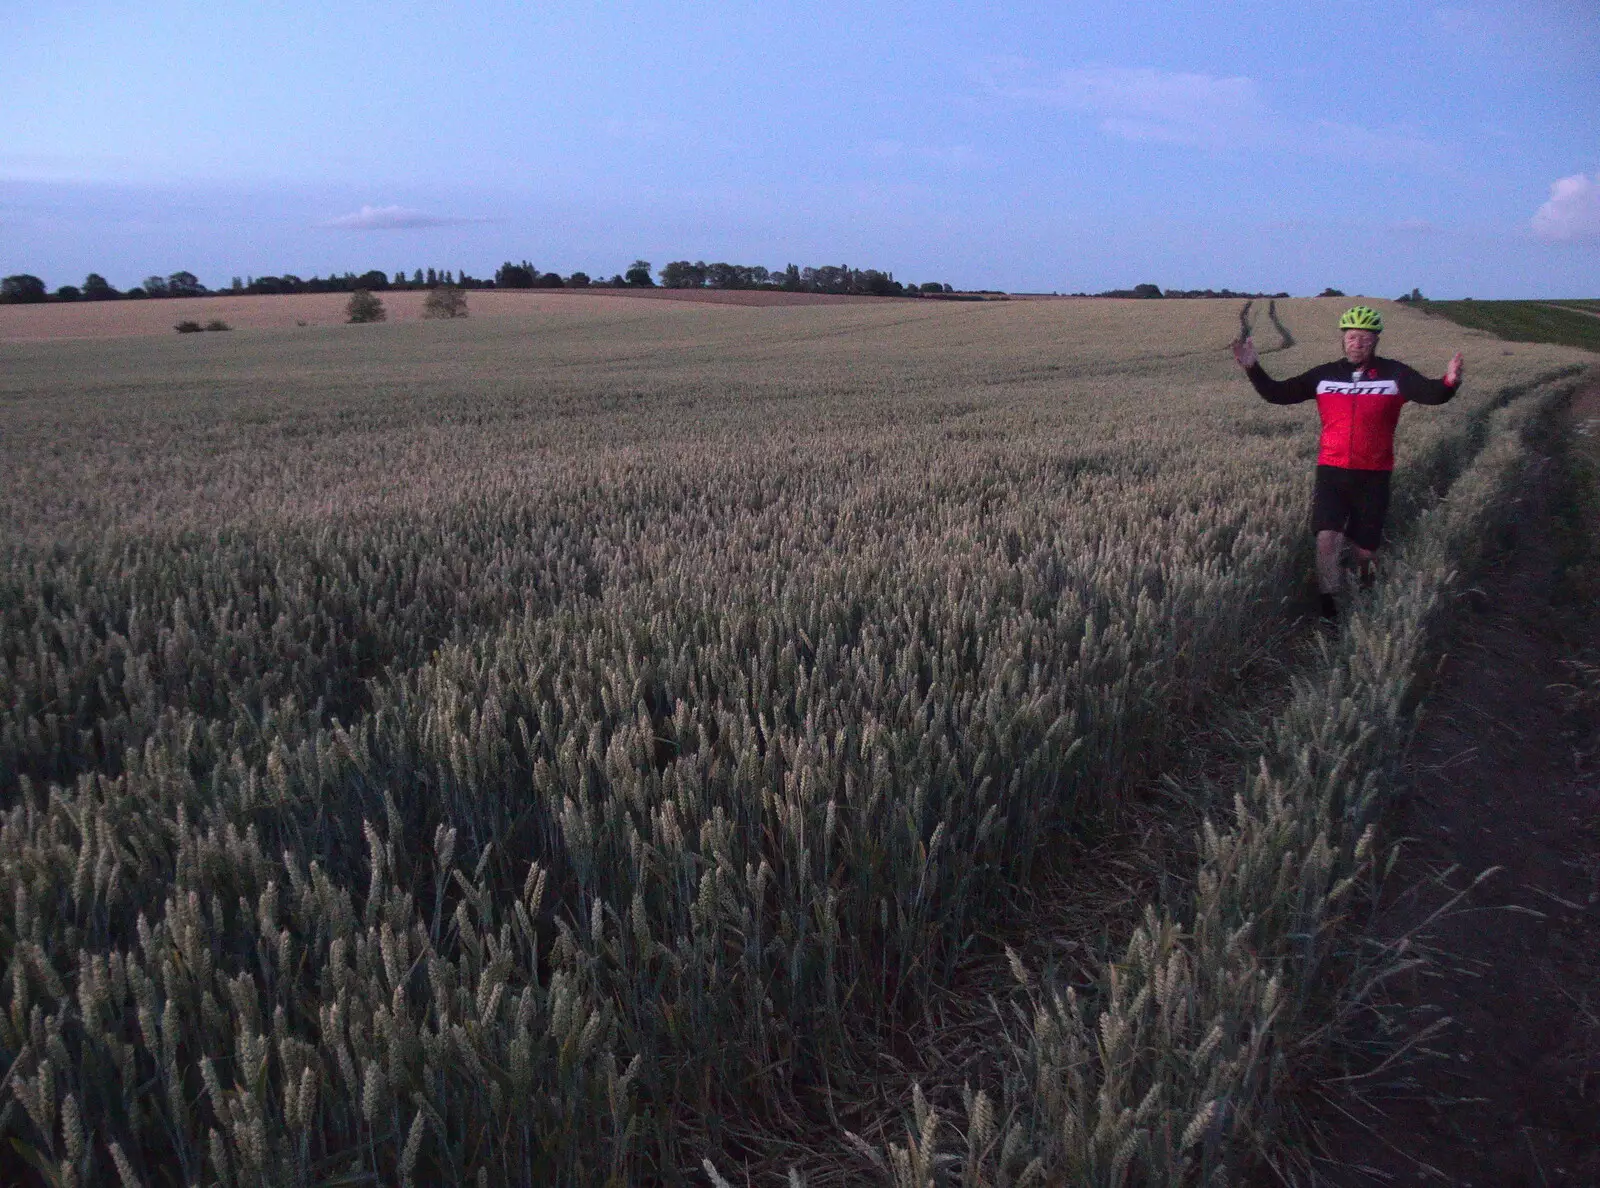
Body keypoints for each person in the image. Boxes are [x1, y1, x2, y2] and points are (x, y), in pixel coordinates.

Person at [1232, 304, 1464, 621]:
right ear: (1343, 340)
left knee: (1365, 551)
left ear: (1375, 341)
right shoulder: (1324, 375)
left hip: (1374, 474)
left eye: (1365, 339)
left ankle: (1367, 595)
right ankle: (1330, 611)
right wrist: (1253, 368)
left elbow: (1431, 393)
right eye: (1351, 337)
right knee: (1326, 538)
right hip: (1331, 471)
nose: (1357, 343)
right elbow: (1277, 393)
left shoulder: (1395, 375)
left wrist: (1450, 382)